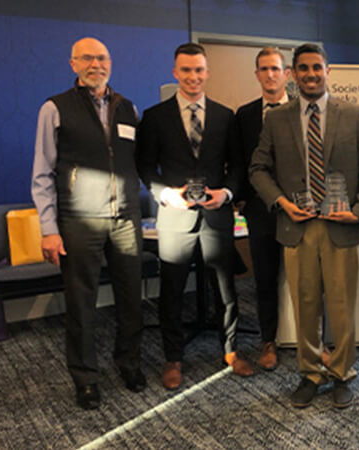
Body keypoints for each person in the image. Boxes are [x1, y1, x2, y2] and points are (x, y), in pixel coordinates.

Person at [249, 43, 359, 409]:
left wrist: (358, 211)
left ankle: (341, 373)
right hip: (297, 226)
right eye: (303, 68)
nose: (310, 74)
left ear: (328, 71)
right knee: (304, 304)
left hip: (342, 226)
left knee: (341, 306)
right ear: (293, 74)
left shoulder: (354, 115)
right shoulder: (277, 119)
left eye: (317, 68)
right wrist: (282, 203)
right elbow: (257, 169)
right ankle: (310, 372)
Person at [32, 37, 145, 409]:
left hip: (126, 218)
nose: (95, 64)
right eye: (87, 58)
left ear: (110, 63)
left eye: (102, 58)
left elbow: (137, 165)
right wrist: (48, 228)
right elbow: (43, 173)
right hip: (79, 220)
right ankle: (85, 378)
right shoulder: (55, 108)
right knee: (82, 303)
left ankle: (128, 362)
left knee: (132, 296)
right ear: (73, 64)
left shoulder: (128, 107)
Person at [137, 42, 253, 390]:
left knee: (226, 288)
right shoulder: (155, 117)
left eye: (199, 69)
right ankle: (173, 358)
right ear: (175, 72)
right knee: (171, 289)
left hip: (217, 215)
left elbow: (238, 166)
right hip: (175, 217)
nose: (193, 76)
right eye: (186, 70)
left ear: (207, 72)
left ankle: (231, 350)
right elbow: (144, 165)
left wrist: (228, 194)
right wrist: (164, 194)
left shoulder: (224, 115)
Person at [235, 47, 291, 371]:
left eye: (276, 68)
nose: (270, 74)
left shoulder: (302, 111)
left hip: (297, 212)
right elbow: (240, 161)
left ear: (286, 74)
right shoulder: (243, 115)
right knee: (265, 279)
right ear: (256, 74)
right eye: (264, 69)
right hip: (259, 211)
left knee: (304, 281)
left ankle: (306, 340)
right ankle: (268, 340)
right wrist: (241, 200)